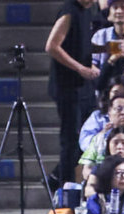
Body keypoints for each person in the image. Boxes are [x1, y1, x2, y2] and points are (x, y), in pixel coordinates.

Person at [46, 0, 99, 187]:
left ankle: (56, 177)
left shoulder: (88, 11)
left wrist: (104, 49)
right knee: (71, 140)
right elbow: (52, 46)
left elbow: (79, 43)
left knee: (88, 136)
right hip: (68, 87)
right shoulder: (69, 11)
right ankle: (64, 186)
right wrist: (79, 68)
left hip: (83, 87)